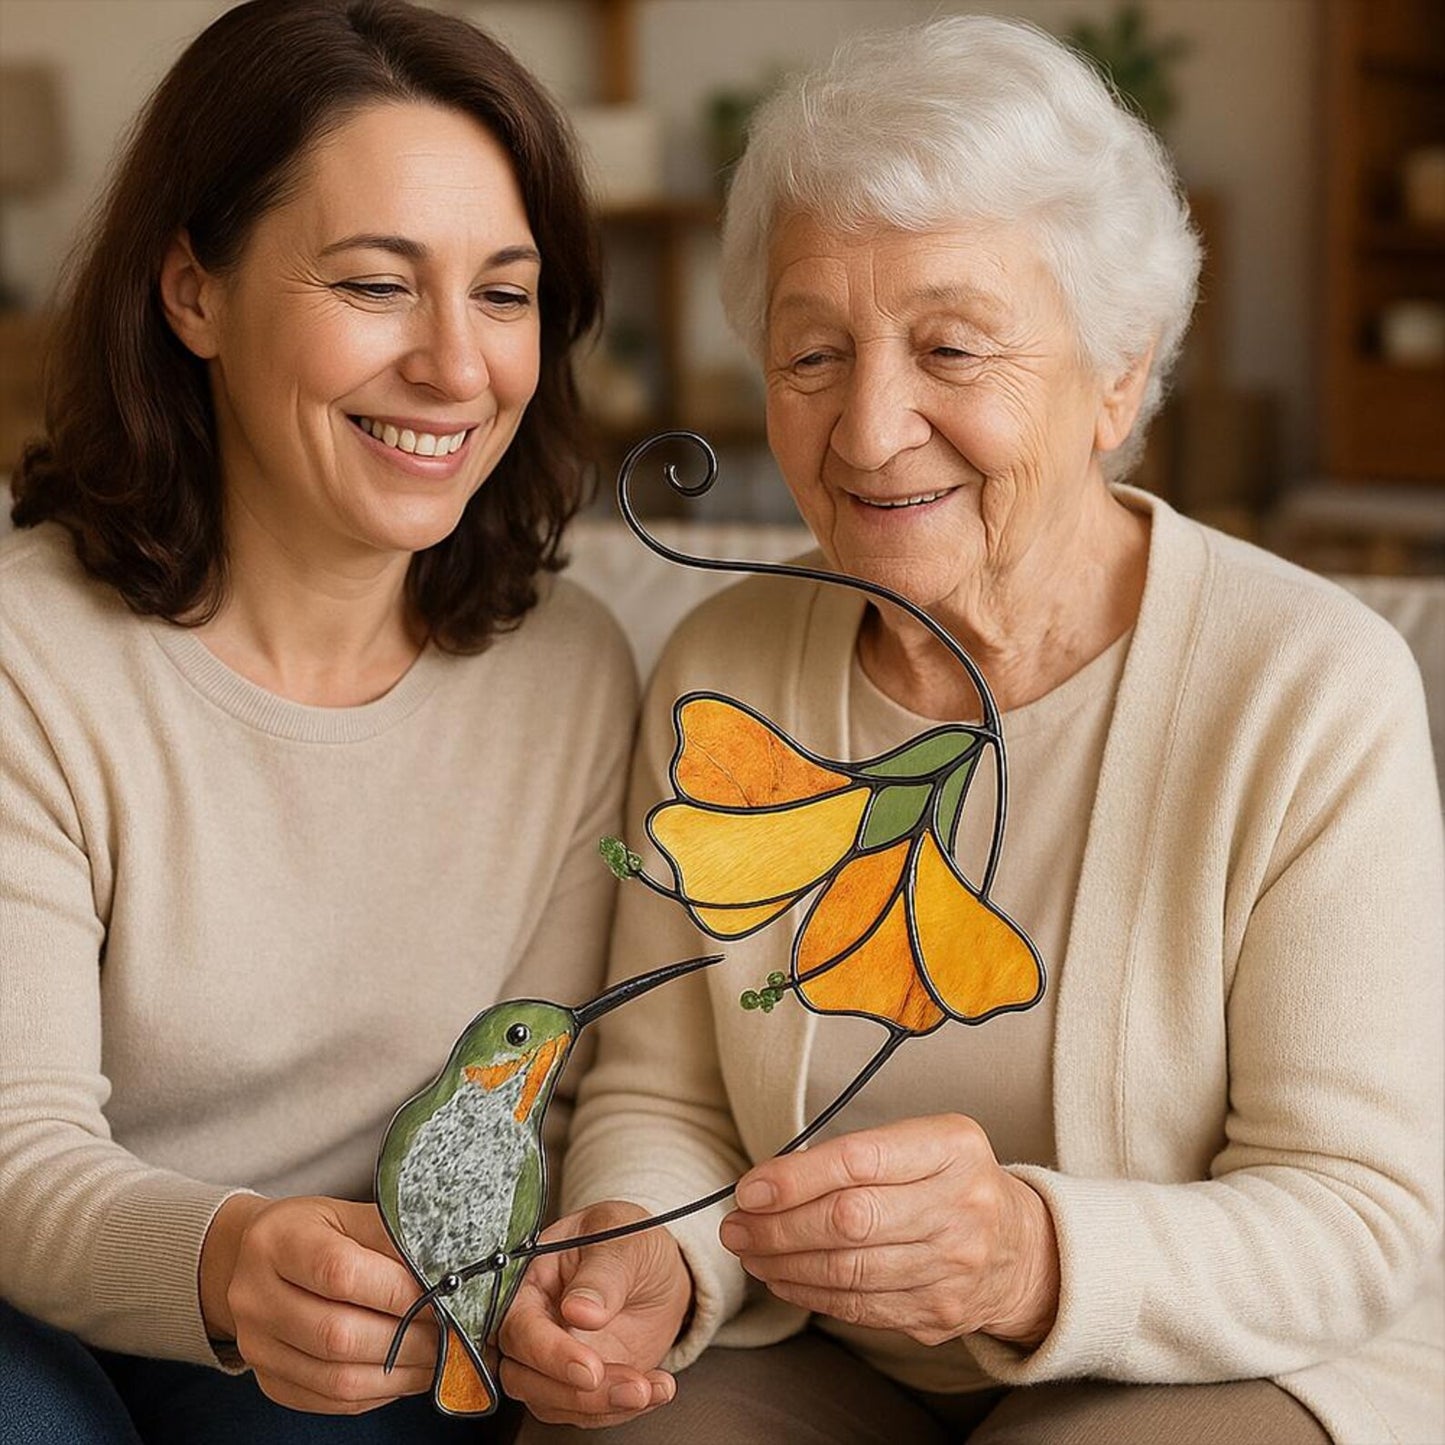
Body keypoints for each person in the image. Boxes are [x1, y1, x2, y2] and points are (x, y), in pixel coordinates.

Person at [498, 16, 1445, 1445]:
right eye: (811, 353)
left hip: (1215, 1360)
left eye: (951, 346)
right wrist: (642, 1244)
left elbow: (1356, 1213)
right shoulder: (726, 660)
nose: (870, 428)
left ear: (1116, 376)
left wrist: (1027, 1254)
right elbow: (662, 1089)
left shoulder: (1307, 685)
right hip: (815, 1351)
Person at [0, 2, 636, 1442]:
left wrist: (578, 1285)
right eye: (374, 283)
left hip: (349, 1324)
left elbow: (527, 1113)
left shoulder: (575, 671)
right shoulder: (26, 655)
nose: (454, 367)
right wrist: (226, 1256)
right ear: (192, 294)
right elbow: (11, 1145)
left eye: (503, 292)